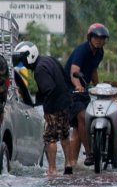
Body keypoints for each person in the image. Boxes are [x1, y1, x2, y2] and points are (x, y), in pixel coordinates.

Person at [14, 41, 77, 176]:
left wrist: (47, 112)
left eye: (23, 60)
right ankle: (68, 164)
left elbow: (49, 90)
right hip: (65, 101)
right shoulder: (49, 59)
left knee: (50, 138)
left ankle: (52, 170)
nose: (23, 64)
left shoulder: (39, 69)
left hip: (54, 105)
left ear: (30, 56)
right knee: (64, 133)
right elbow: (65, 77)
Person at [66, 23, 109, 167]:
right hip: (71, 90)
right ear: (90, 37)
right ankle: (90, 153)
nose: (99, 40)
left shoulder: (100, 52)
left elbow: (93, 71)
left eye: (102, 38)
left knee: (78, 129)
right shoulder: (82, 50)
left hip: (85, 90)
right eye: (96, 37)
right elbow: (74, 72)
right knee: (83, 117)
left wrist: (99, 87)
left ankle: (71, 165)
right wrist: (78, 86)